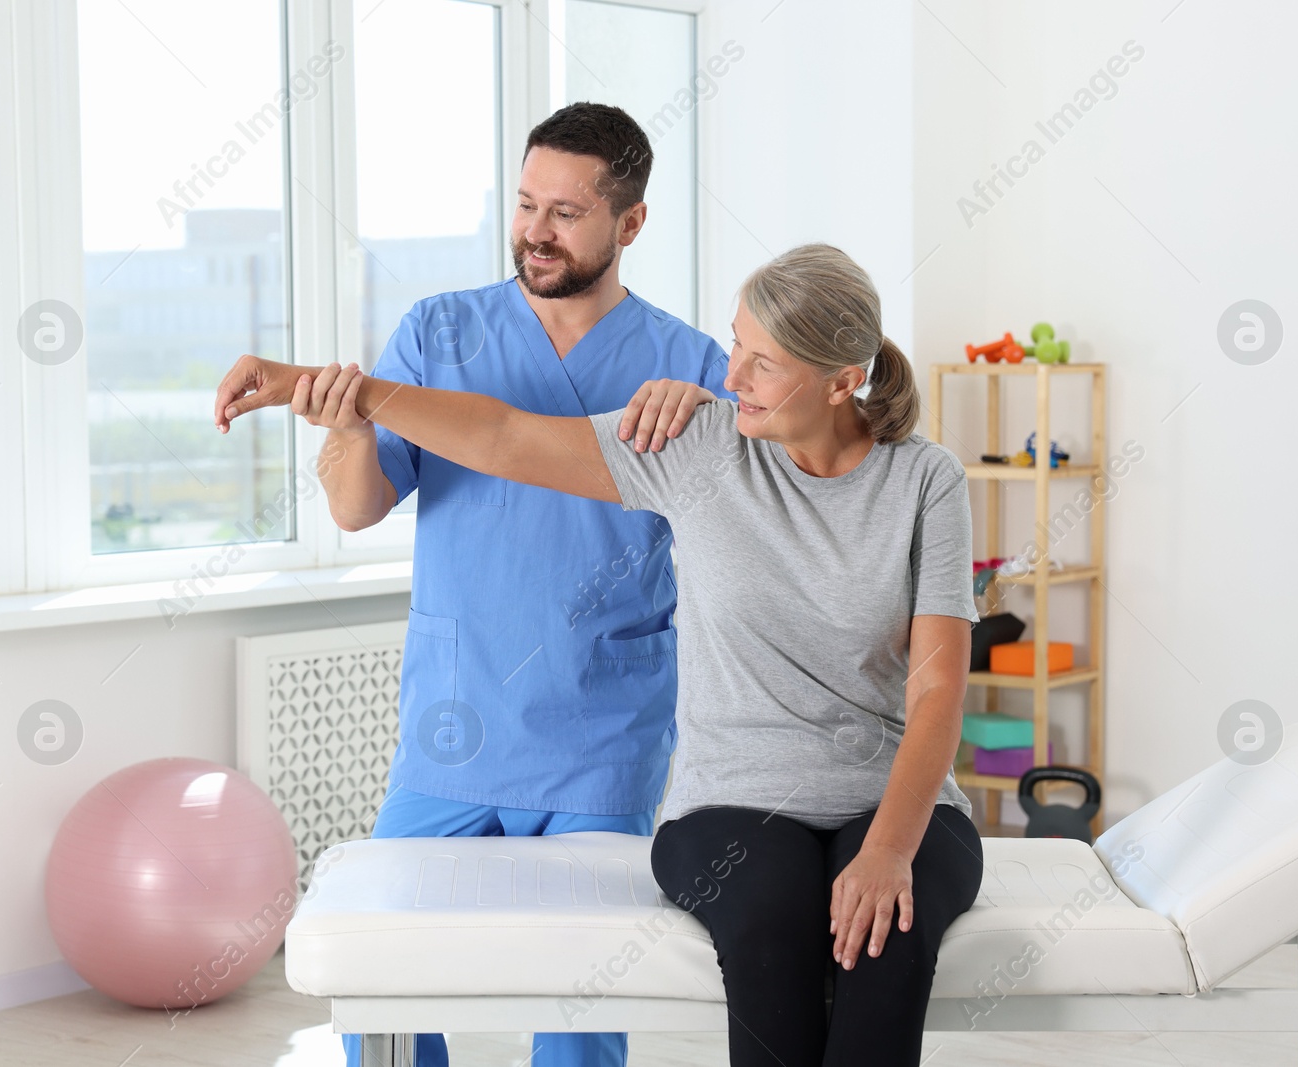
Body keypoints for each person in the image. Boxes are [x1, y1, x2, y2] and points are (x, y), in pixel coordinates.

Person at [214, 243, 984, 1066]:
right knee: (769, 932)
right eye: (735, 347)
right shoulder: (701, 447)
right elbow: (507, 438)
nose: (732, 377)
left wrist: (888, 850)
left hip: (895, 798)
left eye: (764, 364)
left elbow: (938, 688)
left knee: (885, 947)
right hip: (737, 798)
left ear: (842, 381)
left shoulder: (924, 480)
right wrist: (320, 385)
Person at [311, 101, 732, 1067]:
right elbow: (356, 506)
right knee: (386, 977)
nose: (535, 232)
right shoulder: (439, 331)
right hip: (455, 720)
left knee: (581, 1008)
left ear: (629, 224)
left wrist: (715, 413)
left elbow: (748, 521)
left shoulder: (688, 364)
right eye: (526, 203)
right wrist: (344, 430)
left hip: (601, 728)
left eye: (567, 213)